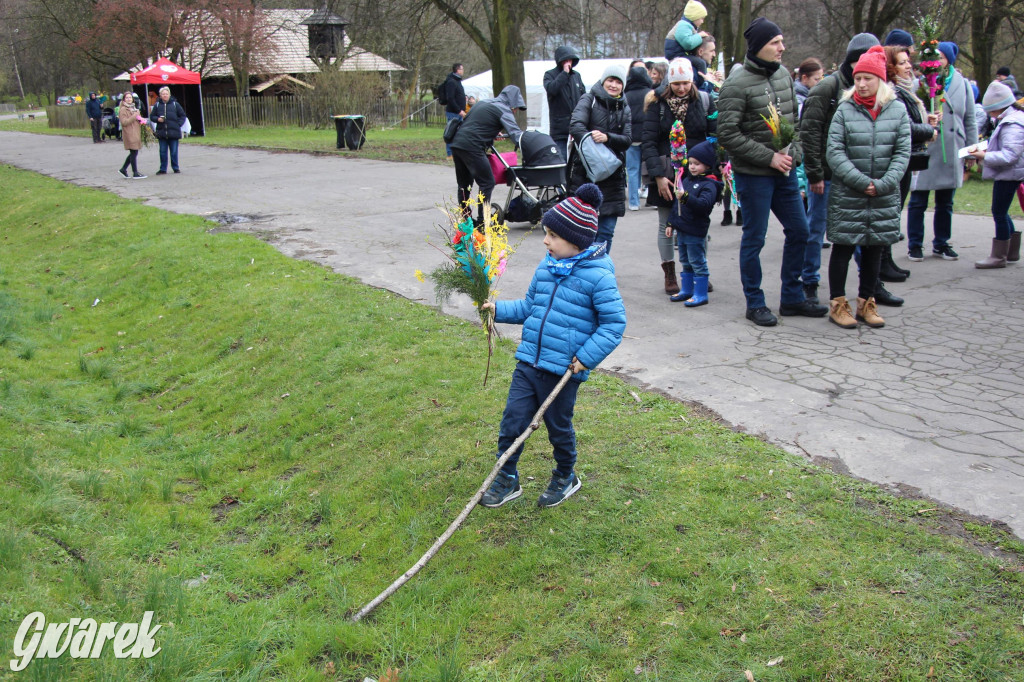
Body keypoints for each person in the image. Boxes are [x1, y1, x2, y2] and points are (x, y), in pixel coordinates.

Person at [478, 184, 626, 508]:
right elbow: (531, 307)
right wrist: (498, 310)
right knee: (512, 422)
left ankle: (565, 475)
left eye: (552, 236)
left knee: (558, 429)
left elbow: (615, 324)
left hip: (563, 371)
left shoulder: (598, 277)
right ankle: (507, 478)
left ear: (575, 241)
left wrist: (584, 359)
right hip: (529, 361)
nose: (545, 241)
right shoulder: (546, 267)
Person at [718, 17, 827, 326]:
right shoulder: (736, 84)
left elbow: (796, 124)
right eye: (775, 42)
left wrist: (795, 152)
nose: (783, 47)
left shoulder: (782, 76)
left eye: (781, 41)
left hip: (786, 172)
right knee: (755, 237)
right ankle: (755, 302)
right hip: (754, 176)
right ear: (758, 47)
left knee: (800, 231)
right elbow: (727, 134)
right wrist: (768, 158)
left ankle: (792, 297)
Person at [824, 45, 910, 330]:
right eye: (858, 78)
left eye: (867, 79)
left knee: (875, 248)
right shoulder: (844, 110)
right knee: (844, 247)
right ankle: (838, 304)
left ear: (880, 80)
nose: (861, 84)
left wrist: (884, 183)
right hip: (850, 193)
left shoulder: (897, 111)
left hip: (883, 194)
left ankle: (867, 302)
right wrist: (862, 182)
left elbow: (902, 153)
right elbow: (835, 152)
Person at [800, 33, 881, 305]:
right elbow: (809, 131)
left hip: (859, 176)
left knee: (863, 230)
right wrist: (815, 173)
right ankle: (809, 281)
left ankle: (870, 285)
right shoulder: (827, 88)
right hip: (828, 175)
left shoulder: (873, 89)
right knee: (816, 229)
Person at [642, 57, 717, 295]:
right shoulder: (657, 104)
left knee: (697, 223)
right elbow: (649, 142)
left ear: (692, 81)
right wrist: (658, 176)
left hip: (697, 174)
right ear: (669, 83)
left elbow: (714, 138)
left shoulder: (705, 101)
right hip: (666, 173)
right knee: (667, 224)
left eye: (685, 83)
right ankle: (670, 273)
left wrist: (711, 171)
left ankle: (697, 271)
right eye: (676, 84)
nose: (682, 88)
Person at [905, 41, 978, 262]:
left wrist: (971, 151)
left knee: (946, 201)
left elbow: (970, 119)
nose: (937, 62)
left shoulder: (962, 84)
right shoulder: (919, 84)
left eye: (942, 58)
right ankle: (914, 244)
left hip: (952, 147)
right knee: (918, 200)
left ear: (949, 60)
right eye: (934, 58)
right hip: (927, 146)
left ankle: (941, 243)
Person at [885, 44, 940, 282]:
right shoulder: (892, 91)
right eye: (902, 62)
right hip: (895, 159)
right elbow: (902, 126)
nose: (909, 66)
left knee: (895, 211)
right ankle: (882, 263)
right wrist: (928, 130)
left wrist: (925, 119)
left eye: (908, 61)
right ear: (891, 66)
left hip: (905, 158)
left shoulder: (904, 90)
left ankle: (886, 261)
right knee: (890, 212)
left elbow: (908, 118)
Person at [568, 64, 631, 253]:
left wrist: (607, 138)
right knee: (583, 230)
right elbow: (576, 125)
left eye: (618, 82)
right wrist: (593, 148)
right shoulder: (589, 99)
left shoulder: (625, 108)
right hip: (585, 175)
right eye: (610, 80)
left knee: (606, 231)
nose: (613, 85)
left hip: (613, 176)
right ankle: (582, 269)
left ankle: (599, 268)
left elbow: (628, 139)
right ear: (603, 81)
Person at [450, 85, 526, 224]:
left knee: (464, 185)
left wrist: (491, 132)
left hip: (457, 144)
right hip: (473, 147)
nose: (515, 111)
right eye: (516, 108)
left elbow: (474, 124)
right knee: (487, 182)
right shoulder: (504, 109)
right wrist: (529, 144)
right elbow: (516, 135)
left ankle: (466, 220)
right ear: (512, 103)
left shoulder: (483, 103)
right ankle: (482, 222)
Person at [969, 81, 1024, 268]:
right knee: (1002, 211)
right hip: (1013, 174)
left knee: (999, 212)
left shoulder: (1011, 124)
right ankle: (1011, 251)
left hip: (1009, 174)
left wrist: (983, 155)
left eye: (990, 111)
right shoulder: (1014, 118)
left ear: (998, 108)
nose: (989, 115)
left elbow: (1010, 155)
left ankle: (999, 256)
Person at [666, 141, 722, 306]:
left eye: (697, 164)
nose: (692, 167)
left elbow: (703, 205)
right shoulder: (687, 180)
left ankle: (701, 293)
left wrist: (686, 197)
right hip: (682, 229)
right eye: (690, 163)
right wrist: (670, 223)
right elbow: (676, 206)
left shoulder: (709, 185)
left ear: (707, 165)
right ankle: (687, 289)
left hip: (695, 229)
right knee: (685, 260)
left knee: (697, 261)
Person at [543, 46, 587, 161]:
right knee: (561, 163)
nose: (568, 63)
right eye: (565, 60)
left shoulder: (576, 76)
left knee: (578, 164)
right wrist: (564, 74)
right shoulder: (549, 75)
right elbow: (552, 89)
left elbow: (584, 97)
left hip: (577, 129)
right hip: (560, 132)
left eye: (570, 60)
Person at [624, 64, 653, 211]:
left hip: (631, 137)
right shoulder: (650, 93)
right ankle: (652, 198)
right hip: (647, 135)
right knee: (650, 167)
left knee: (632, 170)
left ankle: (634, 202)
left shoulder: (626, 95)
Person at [151, 86, 187, 174]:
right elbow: (152, 116)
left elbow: (182, 116)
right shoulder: (157, 105)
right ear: (160, 95)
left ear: (169, 95)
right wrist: (157, 119)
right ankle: (163, 169)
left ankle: (175, 167)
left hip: (173, 132)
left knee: (174, 152)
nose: (165, 95)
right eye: (163, 94)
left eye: (166, 94)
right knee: (163, 152)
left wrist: (178, 124)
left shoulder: (175, 104)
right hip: (162, 132)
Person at [117, 92, 147, 179]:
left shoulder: (134, 108)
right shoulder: (123, 109)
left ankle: (123, 169)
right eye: (127, 98)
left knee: (134, 152)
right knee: (133, 152)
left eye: (130, 98)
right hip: (129, 133)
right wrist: (135, 116)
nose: (129, 99)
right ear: (124, 99)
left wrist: (141, 120)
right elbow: (124, 122)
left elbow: (136, 118)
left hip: (135, 132)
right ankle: (135, 172)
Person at [442, 63, 467, 160]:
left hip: (459, 111)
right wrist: (458, 110)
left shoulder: (458, 81)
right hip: (453, 112)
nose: (463, 71)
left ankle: (457, 152)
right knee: (451, 132)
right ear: (457, 70)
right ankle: (450, 154)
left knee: (458, 133)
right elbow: (450, 98)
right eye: (462, 69)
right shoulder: (451, 82)